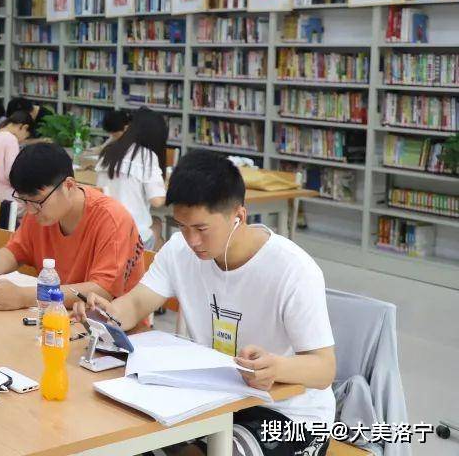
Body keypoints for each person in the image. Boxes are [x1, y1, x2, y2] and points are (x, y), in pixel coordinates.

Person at [74, 150, 336, 456]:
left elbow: (324, 369)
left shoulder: (292, 269)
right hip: (214, 400)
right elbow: (135, 305)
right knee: (121, 441)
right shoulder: (179, 251)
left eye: (201, 229)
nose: (192, 241)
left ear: (238, 216)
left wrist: (276, 367)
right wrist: (106, 314)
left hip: (290, 415)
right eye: (182, 227)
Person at [0, 142, 144, 311]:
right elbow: (15, 251)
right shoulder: (40, 211)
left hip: (110, 326)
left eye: (37, 202)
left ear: (69, 185)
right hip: (57, 315)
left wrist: (24, 297)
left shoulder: (111, 220)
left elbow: (102, 291)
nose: (30, 211)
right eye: (24, 201)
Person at [94, 107, 166, 250]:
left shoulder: (108, 151)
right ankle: (144, 262)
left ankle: (145, 260)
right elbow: (157, 201)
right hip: (131, 236)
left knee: (156, 232)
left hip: (104, 232)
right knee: (157, 224)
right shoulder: (147, 156)